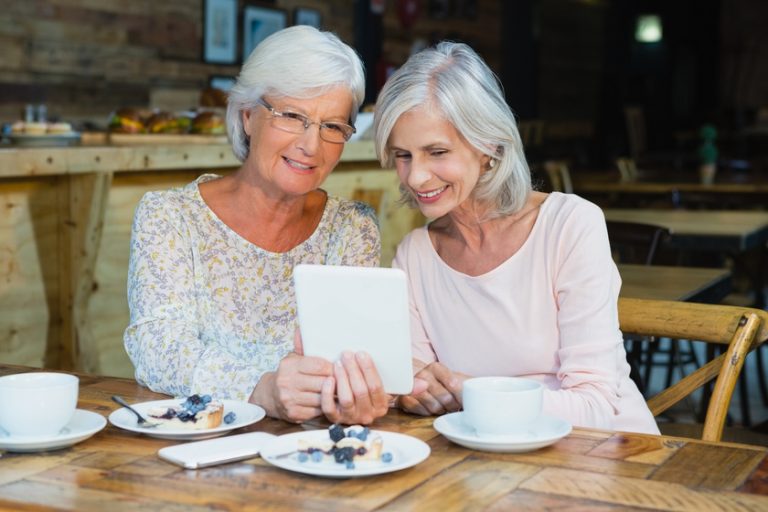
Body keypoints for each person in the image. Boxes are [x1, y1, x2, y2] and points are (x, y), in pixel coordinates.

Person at [373, 41, 659, 434]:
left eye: (437, 152)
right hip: (486, 466)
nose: (416, 176)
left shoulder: (570, 225)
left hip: (603, 458)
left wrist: (472, 394)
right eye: (403, 155)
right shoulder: (415, 255)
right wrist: (413, 393)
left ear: (489, 145)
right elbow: (419, 388)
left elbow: (595, 407)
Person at [125, 26, 390, 425]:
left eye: (332, 126)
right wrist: (260, 388)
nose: (311, 146)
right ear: (247, 116)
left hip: (311, 454)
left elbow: (352, 359)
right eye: (292, 117)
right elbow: (157, 349)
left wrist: (354, 394)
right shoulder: (170, 217)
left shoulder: (352, 229)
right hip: (192, 451)